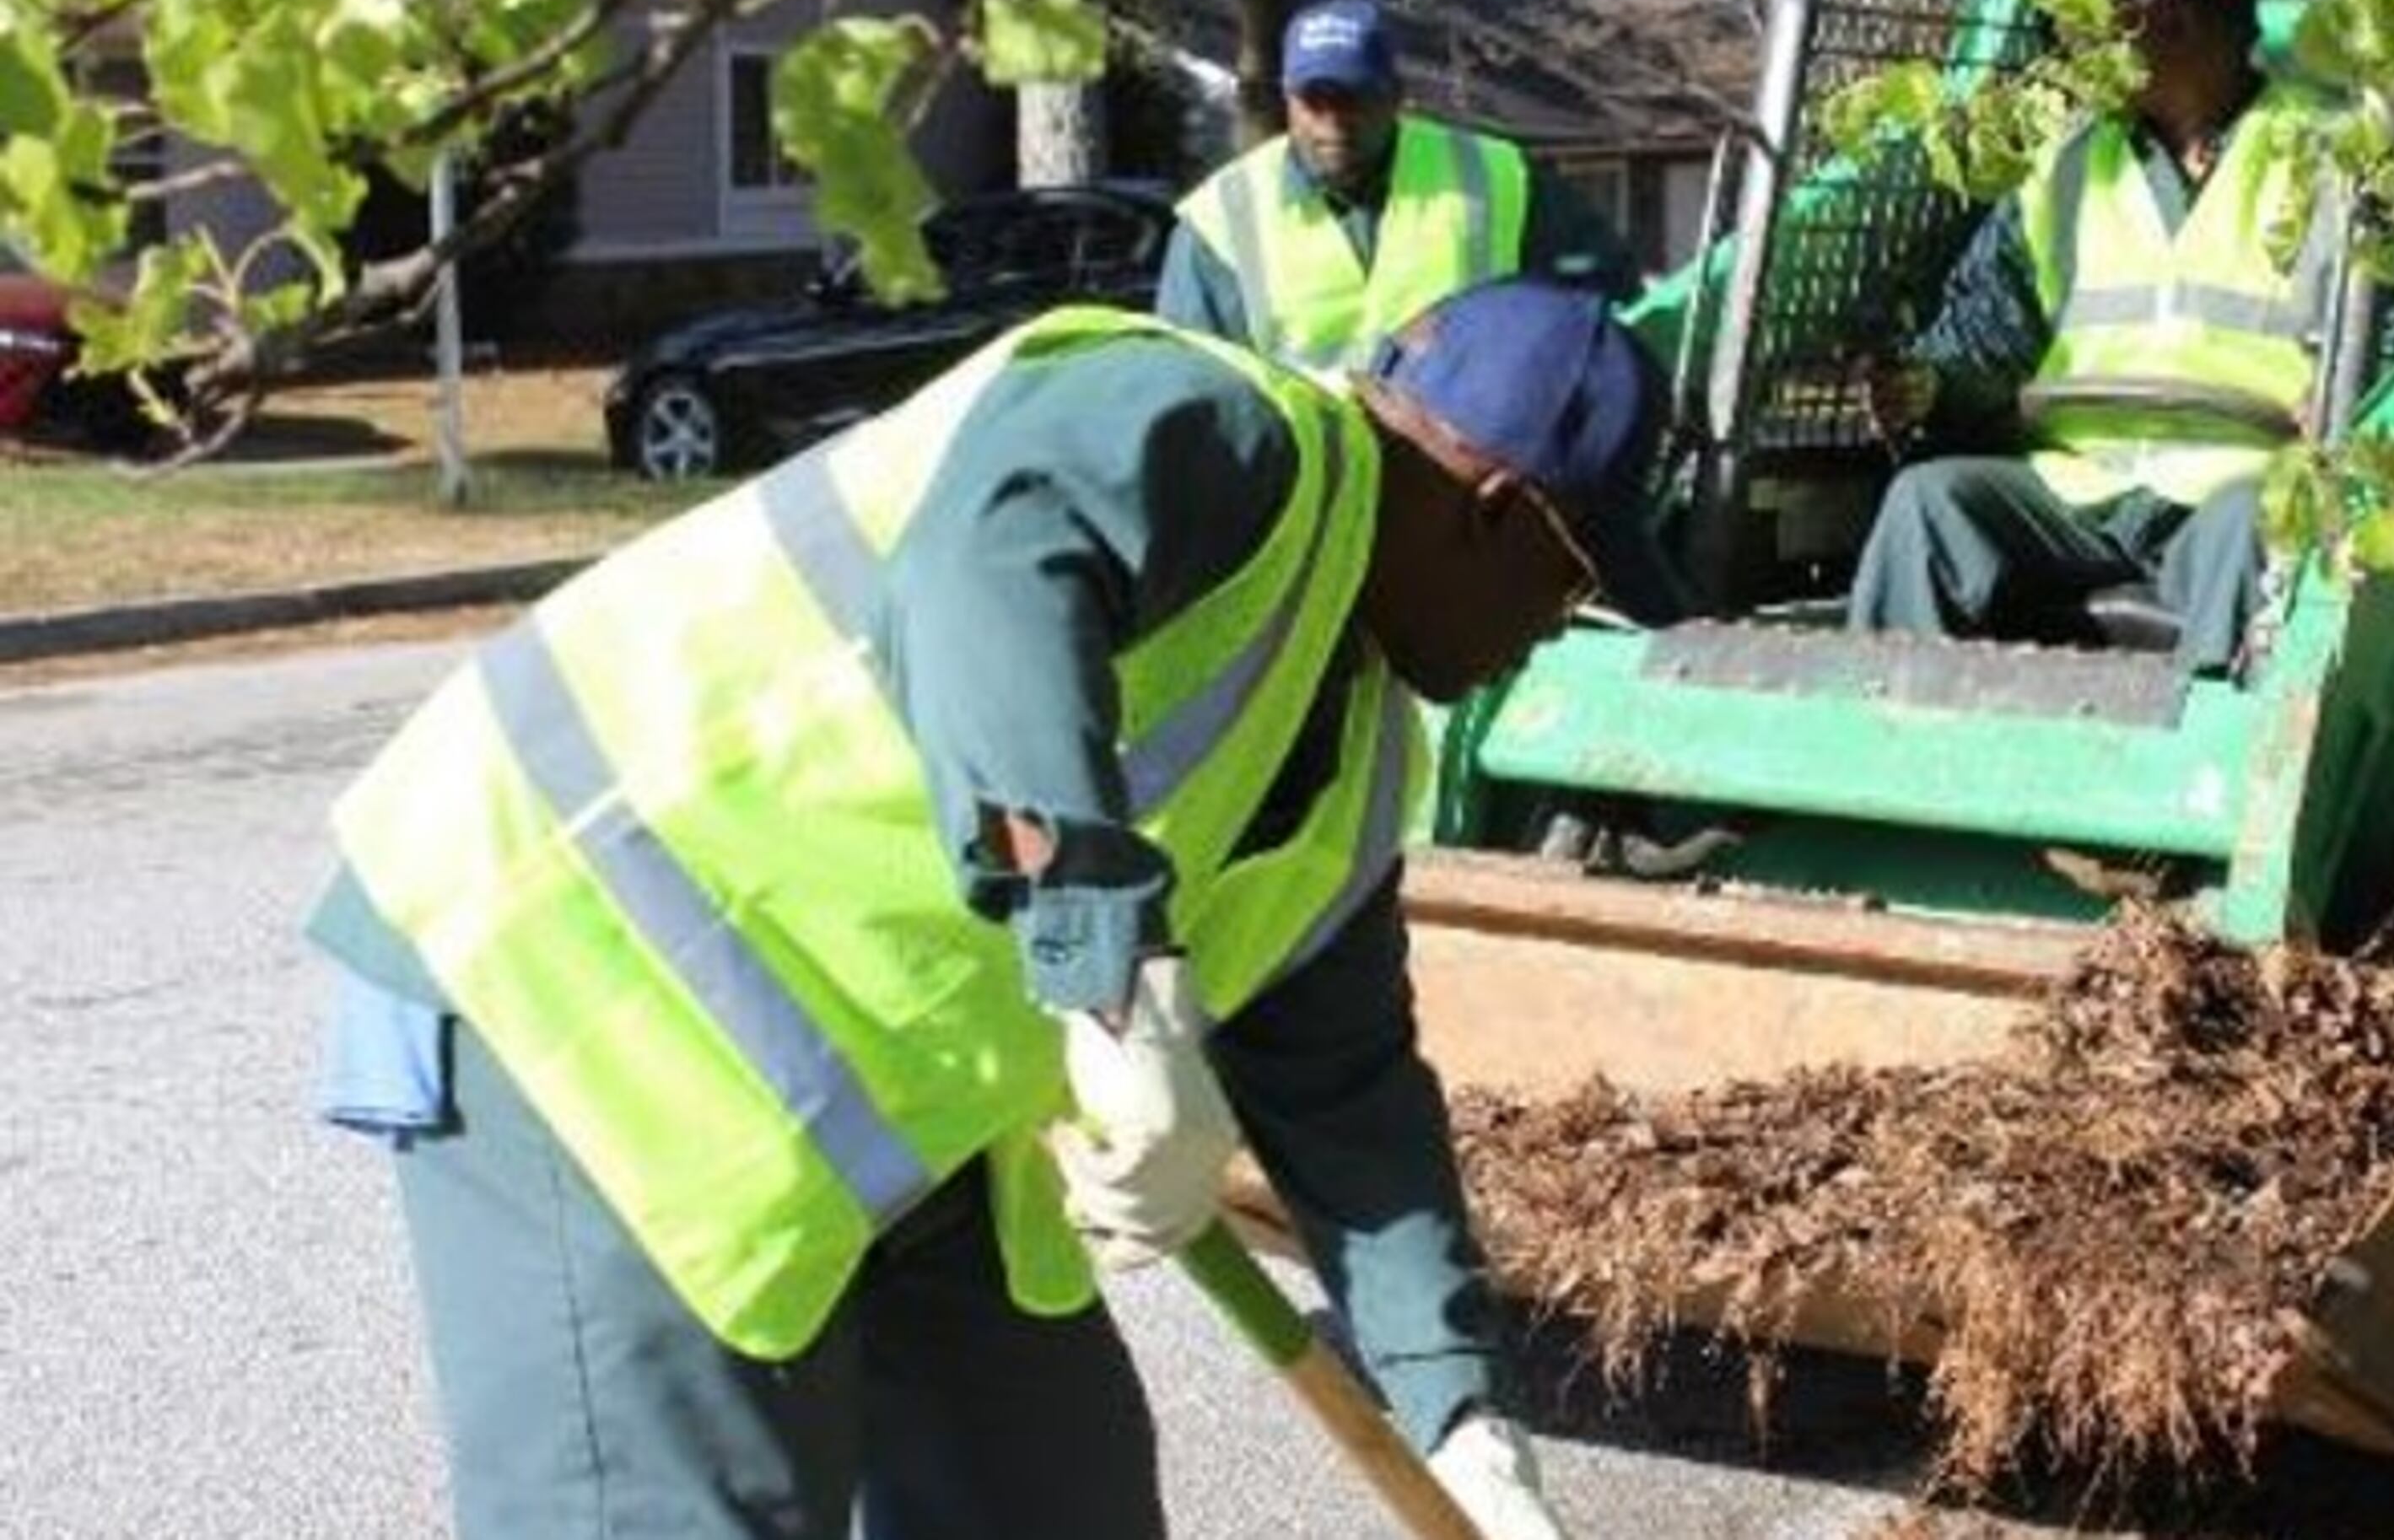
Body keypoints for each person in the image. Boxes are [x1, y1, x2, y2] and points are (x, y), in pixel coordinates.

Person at [308, 277, 1680, 1538]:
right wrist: (1108, 973)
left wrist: (1459, 1411)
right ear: (1491, 508)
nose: (1559, 628)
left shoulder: (1365, 741)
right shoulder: (1210, 425)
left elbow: (1347, 1090)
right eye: (1574, 582)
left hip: (895, 1121)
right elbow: (996, 563)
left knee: (1045, 1496)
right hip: (579, 991)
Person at [1845, 0, 2344, 671]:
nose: (2073, 47)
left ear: (2171, 19)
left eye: (2096, 21)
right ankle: (1882, 753)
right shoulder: (2065, 169)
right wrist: (1931, 386)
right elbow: (1988, 340)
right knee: (1928, 503)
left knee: (2263, 519)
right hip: (2075, 492)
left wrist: (2354, 411)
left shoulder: (2334, 166)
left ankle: (2206, 771)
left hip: (2235, 490)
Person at [1156, 0, 1643, 369]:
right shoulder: (1221, 220)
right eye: (1315, 101)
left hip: (1466, 482)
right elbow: (1189, 385)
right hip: (1304, 487)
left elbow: (1603, 300)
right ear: (1287, 99)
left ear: (1396, 97)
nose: (1333, 122)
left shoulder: (1495, 177)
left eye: (1353, 99)